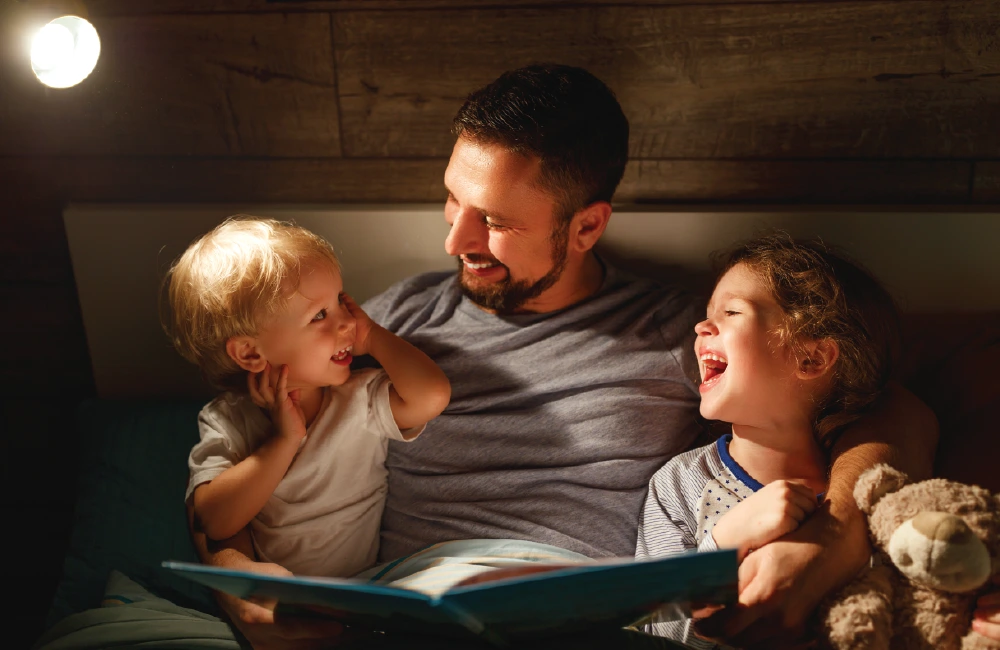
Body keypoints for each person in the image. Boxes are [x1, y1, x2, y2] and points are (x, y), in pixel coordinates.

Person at [189, 64, 962, 650]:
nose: (454, 240)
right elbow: (242, 438)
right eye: (452, 199)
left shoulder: (680, 335)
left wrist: (832, 540)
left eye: (493, 221)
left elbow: (901, 409)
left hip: (585, 618)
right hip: (411, 611)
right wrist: (237, 579)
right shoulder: (388, 324)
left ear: (586, 227)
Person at [636, 234, 902, 648]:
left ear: (810, 359)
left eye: (731, 312)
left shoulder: (869, 488)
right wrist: (724, 544)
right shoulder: (678, 485)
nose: (701, 326)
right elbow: (655, 633)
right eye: (708, 314)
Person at [164, 216, 451, 580]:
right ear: (251, 354)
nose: (347, 322)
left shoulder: (357, 397)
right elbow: (214, 522)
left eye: (340, 303)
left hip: (363, 586)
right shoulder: (228, 419)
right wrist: (284, 441)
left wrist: (373, 337)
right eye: (319, 315)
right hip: (283, 599)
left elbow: (433, 395)